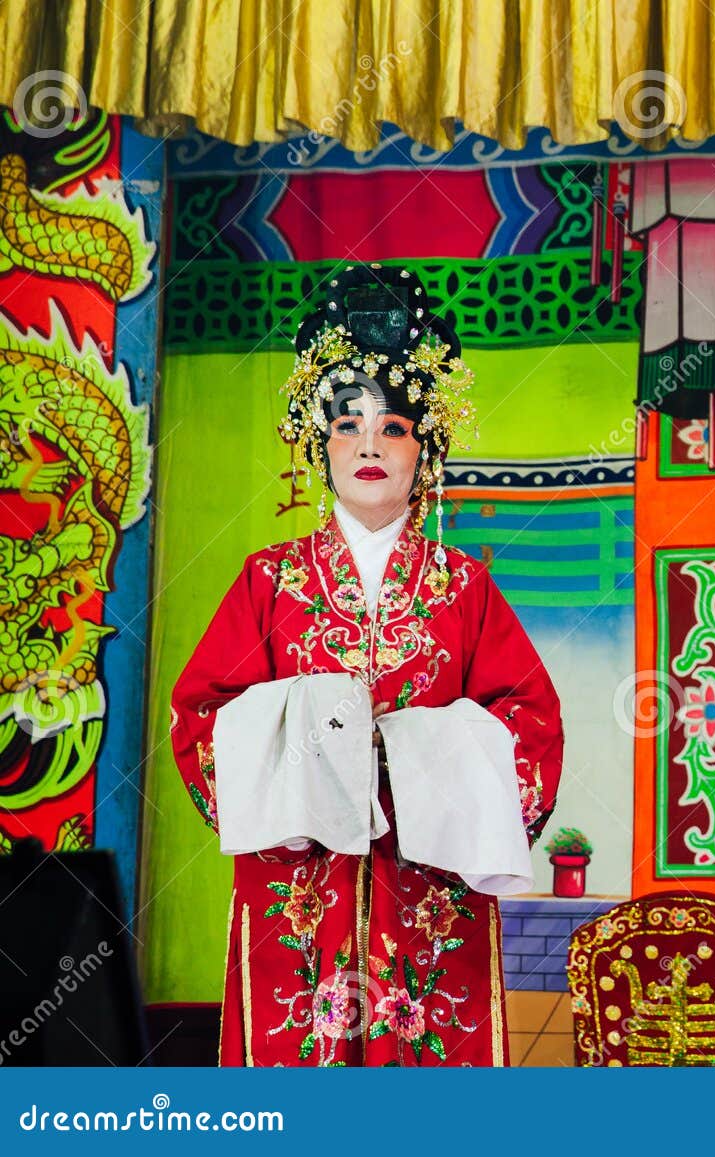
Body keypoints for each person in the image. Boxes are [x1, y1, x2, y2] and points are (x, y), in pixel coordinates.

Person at [171, 265, 563, 1066]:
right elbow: (202, 714)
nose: (369, 446)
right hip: (300, 886)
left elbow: (531, 724)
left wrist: (424, 754)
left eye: (394, 428)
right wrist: (308, 747)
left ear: (428, 448)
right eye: (347, 426)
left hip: (428, 888)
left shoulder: (464, 587)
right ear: (321, 447)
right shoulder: (269, 579)